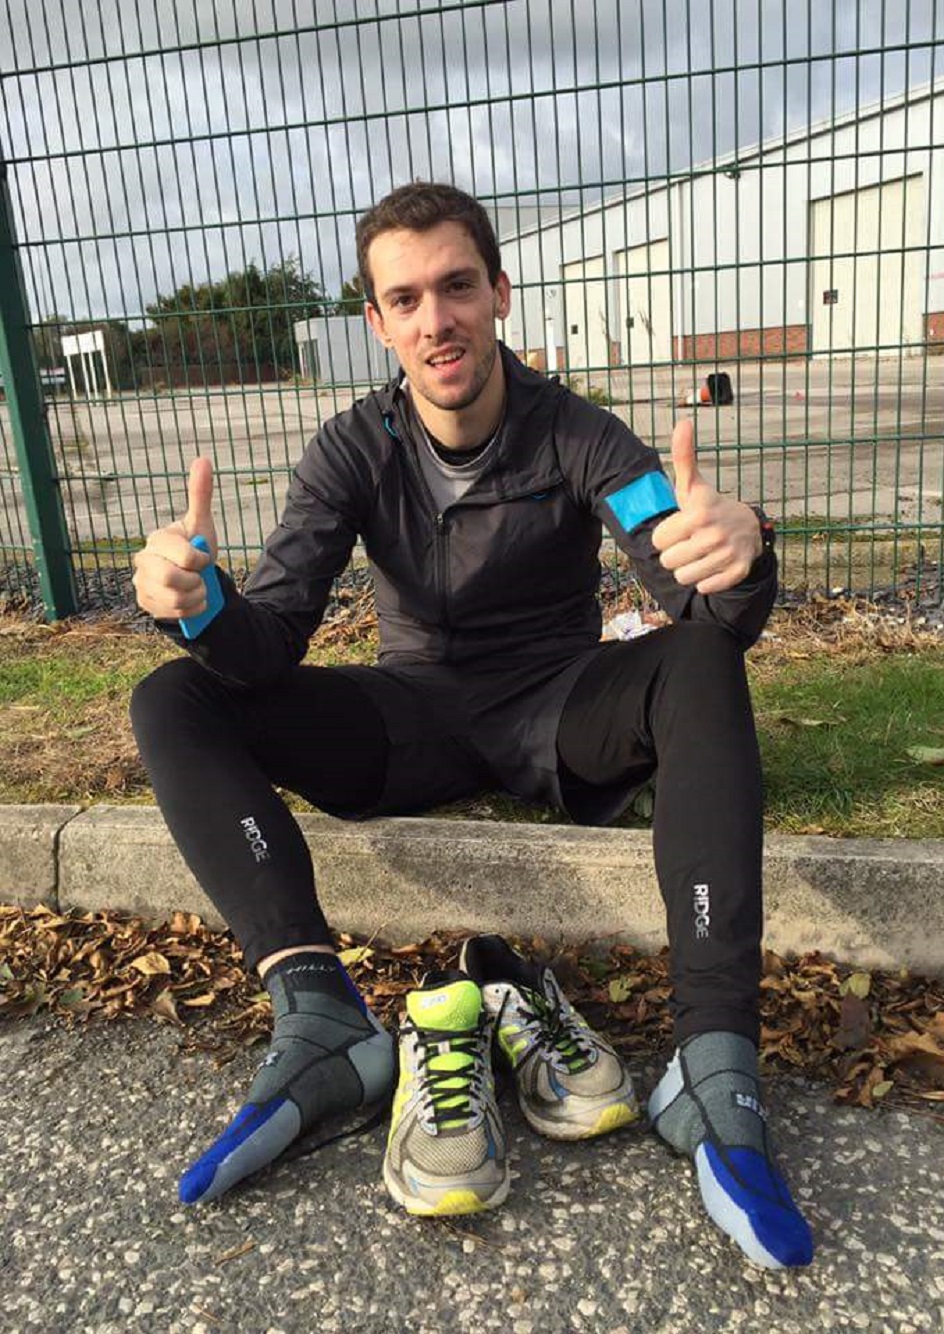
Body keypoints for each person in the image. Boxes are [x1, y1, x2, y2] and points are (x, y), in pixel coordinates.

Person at [130, 181, 812, 1268]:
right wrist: (197, 602)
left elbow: (694, 598)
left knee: (693, 662)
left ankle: (712, 1062)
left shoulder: (578, 433)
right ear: (378, 322)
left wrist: (740, 551)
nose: (434, 318)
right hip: (408, 718)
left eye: (455, 285)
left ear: (497, 292)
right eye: (404, 298)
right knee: (174, 692)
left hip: (557, 706)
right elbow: (269, 643)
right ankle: (319, 1019)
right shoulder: (350, 449)